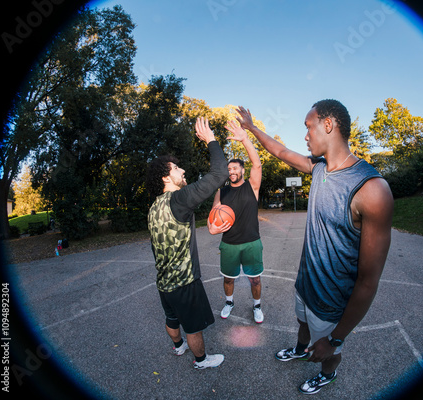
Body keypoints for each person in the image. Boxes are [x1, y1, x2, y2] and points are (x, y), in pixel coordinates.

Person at [235, 100, 393, 394]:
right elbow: (280, 151)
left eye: (309, 127)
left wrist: (335, 338)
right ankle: (299, 348)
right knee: (302, 322)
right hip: (306, 282)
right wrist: (251, 127)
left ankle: (328, 373)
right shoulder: (318, 168)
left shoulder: (371, 189)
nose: (306, 135)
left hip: (333, 299)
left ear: (329, 125)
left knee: (328, 352)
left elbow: (369, 280)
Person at [146, 117, 230, 370]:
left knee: (172, 318)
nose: (182, 171)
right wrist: (211, 140)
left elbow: (162, 240)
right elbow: (219, 173)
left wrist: (209, 228)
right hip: (184, 282)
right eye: (176, 168)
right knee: (193, 325)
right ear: (165, 178)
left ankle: (178, 346)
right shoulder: (179, 199)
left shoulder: (153, 207)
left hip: (163, 281)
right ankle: (202, 360)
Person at [208, 119, 264, 323]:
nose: (231, 172)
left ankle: (257, 306)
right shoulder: (221, 192)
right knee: (228, 278)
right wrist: (212, 229)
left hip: (251, 241)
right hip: (229, 244)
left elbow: (257, 164)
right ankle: (229, 302)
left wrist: (245, 139)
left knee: (255, 279)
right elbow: (213, 216)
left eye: (235, 169)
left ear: (242, 170)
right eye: (229, 170)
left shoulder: (252, 186)